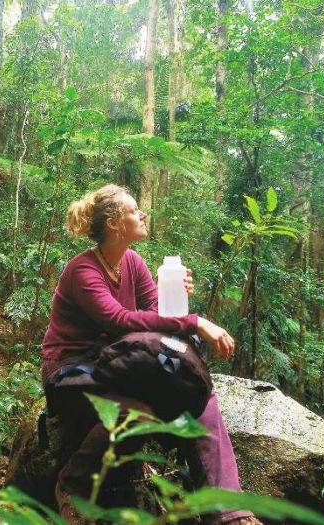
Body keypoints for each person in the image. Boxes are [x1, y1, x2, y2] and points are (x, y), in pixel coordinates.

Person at [42, 184, 261, 524]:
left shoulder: (132, 261)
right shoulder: (82, 270)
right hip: (74, 370)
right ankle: (71, 485)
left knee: (201, 398)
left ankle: (229, 514)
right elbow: (118, 320)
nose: (142, 214)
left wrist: (175, 295)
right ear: (115, 223)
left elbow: (154, 312)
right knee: (137, 413)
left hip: (122, 363)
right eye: (134, 210)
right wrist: (196, 321)